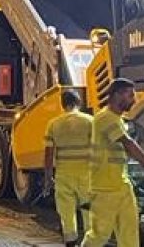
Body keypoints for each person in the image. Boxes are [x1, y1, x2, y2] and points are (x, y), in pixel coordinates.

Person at [82, 78, 144, 247]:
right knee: (98, 235)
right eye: (131, 95)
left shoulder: (117, 120)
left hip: (121, 185)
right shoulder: (105, 118)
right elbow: (128, 143)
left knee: (130, 235)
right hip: (104, 188)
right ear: (117, 95)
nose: (134, 100)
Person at [44, 90, 94, 247]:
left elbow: (48, 154)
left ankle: (70, 241)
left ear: (62, 104)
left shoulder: (53, 124)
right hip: (87, 174)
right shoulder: (90, 121)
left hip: (64, 175)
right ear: (79, 103)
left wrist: (47, 177)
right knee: (89, 211)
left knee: (66, 211)